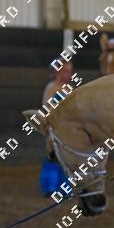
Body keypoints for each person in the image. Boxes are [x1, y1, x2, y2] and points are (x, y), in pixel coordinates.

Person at [39, 61, 73, 196]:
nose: (69, 74)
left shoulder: (69, 89)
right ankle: (50, 187)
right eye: (65, 71)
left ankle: (65, 188)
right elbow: (48, 108)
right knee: (53, 156)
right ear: (57, 72)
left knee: (67, 159)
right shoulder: (51, 88)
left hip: (68, 128)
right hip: (55, 127)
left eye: (70, 71)